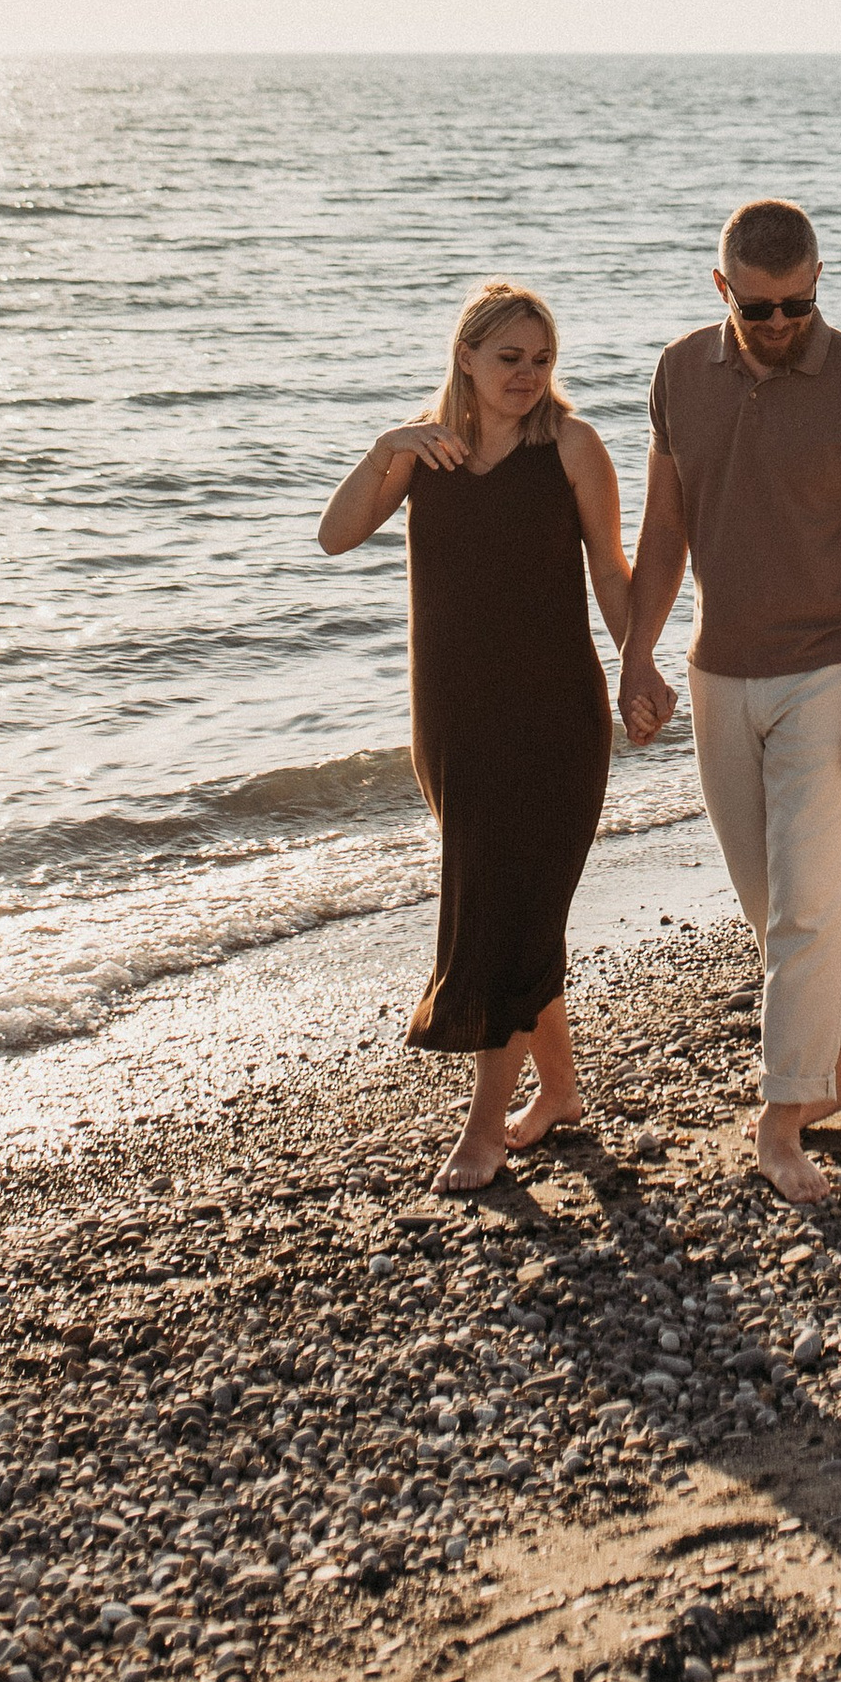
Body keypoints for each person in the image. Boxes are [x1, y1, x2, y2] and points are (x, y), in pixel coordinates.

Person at [618, 196, 841, 1204]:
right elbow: (664, 536)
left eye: (799, 301)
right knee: (772, 908)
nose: (782, 322)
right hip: (718, 672)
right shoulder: (677, 375)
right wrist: (635, 654)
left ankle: (780, 1119)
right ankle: (833, 1068)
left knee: (806, 906)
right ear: (723, 292)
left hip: (830, 673)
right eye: (760, 309)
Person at [317, 281, 630, 1195]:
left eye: (542, 359)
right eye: (510, 358)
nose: (529, 375)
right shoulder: (426, 452)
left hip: (555, 718)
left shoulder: (573, 445)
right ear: (465, 356)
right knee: (515, 902)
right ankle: (561, 1092)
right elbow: (335, 536)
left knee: (507, 912)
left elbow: (612, 574)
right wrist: (385, 447)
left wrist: (643, 665)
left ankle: (485, 1126)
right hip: (452, 719)